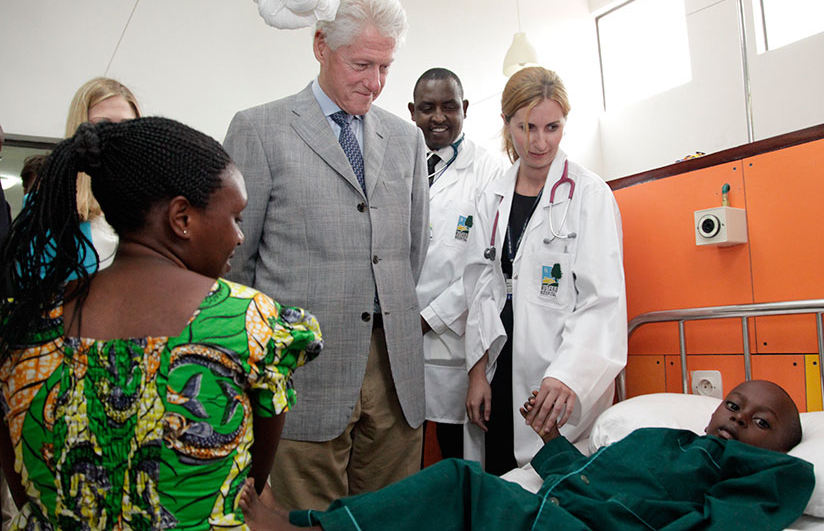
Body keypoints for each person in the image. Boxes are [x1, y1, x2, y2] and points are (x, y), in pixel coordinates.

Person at [0, 117, 322, 529]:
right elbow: (250, 485)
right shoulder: (249, 321)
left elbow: (23, 485)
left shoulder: (26, 323)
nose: (240, 237)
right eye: (236, 218)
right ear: (181, 218)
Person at [223, 0, 429, 511]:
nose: (376, 83)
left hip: (394, 371)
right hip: (302, 374)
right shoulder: (260, 130)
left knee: (388, 519)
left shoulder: (405, 140)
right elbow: (235, 264)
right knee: (302, 521)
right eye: (362, 65)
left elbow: (411, 251)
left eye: (385, 67)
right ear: (320, 46)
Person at [238, 379, 815, 531]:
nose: (736, 419)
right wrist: (553, 444)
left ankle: (301, 529)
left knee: (462, 484)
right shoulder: (662, 438)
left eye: (760, 421)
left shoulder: (773, 476)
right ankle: (305, 522)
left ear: (784, 445)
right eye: (733, 405)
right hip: (566, 512)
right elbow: (591, 473)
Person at [463, 67, 627, 475]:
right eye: (526, 127)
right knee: (503, 480)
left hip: (562, 367)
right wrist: (478, 373)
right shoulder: (492, 197)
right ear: (507, 124)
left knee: (556, 485)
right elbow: (482, 289)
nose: (539, 142)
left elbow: (602, 300)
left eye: (552, 127)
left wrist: (569, 375)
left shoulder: (589, 195)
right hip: (502, 363)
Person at [409, 68, 507, 460]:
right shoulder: (399, 166)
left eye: (449, 106)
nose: (438, 117)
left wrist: (427, 317)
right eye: (427, 108)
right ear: (412, 112)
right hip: (401, 340)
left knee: (457, 450)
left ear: (464, 109)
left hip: (455, 341)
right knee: (400, 453)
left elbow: (485, 265)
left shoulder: (488, 170)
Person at [65, 77, 141, 273]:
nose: (115, 135)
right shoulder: (54, 206)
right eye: (102, 125)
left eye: (126, 126)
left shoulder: (154, 205)